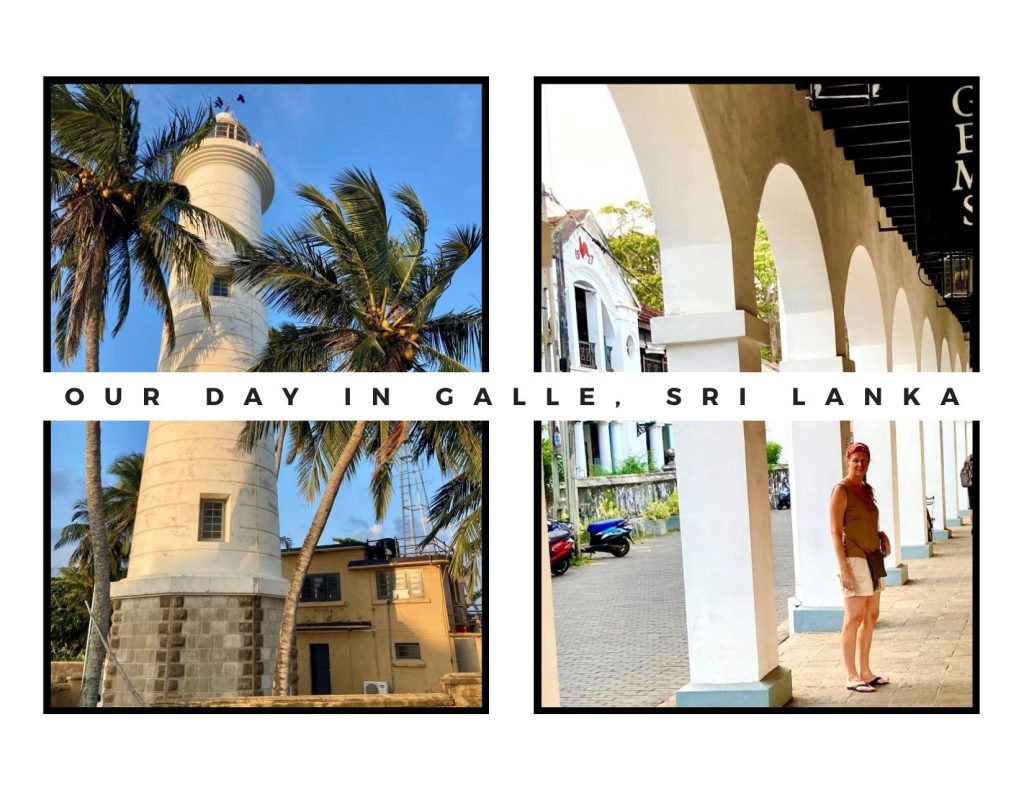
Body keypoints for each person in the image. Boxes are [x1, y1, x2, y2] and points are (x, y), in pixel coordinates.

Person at [830, 441, 891, 693]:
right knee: (853, 617)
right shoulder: (841, 490)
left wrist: (880, 534)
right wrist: (843, 567)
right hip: (854, 557)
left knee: (871, 615)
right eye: (856, 459)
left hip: (873, 557)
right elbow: (835, 530)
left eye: (864, 460)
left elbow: (865, 520)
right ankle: (851, 675)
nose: (860, 464)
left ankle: (866, 671)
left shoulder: (866, 489)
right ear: (848, 461)